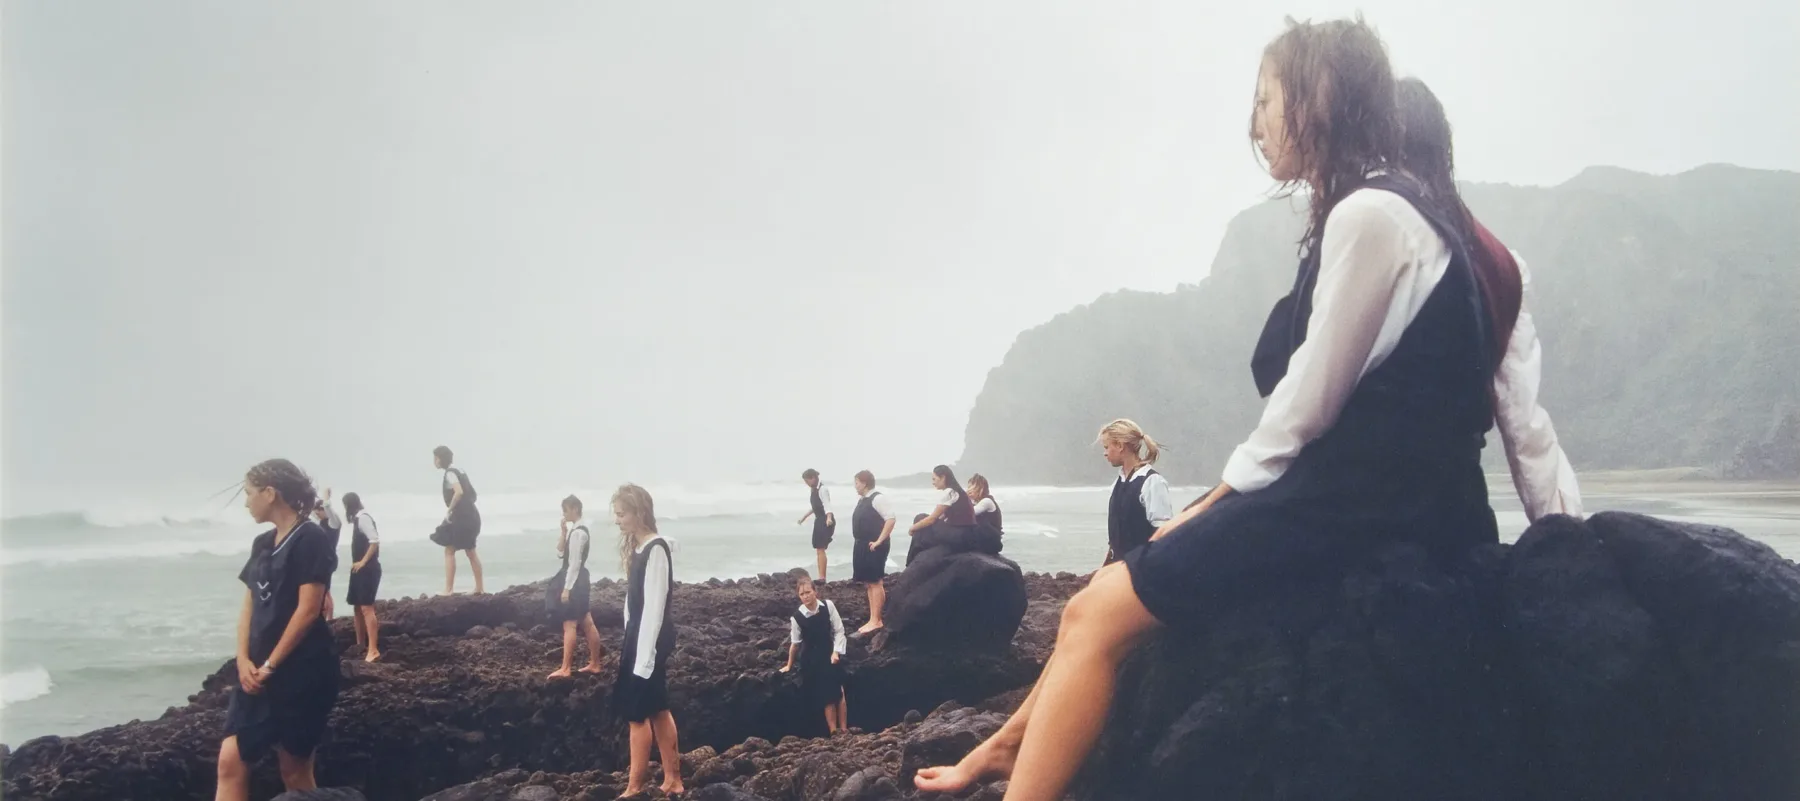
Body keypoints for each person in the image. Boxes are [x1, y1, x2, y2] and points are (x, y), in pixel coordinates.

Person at [916, 18, 1573, 799]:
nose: (1255, 122)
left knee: (1096, 614)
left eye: (1266, 98)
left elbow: (1305, 408)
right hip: (1406, 509)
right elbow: (1517, 429)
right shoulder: (1441, 236)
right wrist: (1565, 539)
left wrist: (1213, 503)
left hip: (1353, 509)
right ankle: (1002, 748)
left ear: (1318, 96)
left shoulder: (1373, 217)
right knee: (1097, 603)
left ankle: (1014, 771)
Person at [1394, 76, 1583, 520]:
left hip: (1369, 515)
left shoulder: (1373, 236)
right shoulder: (1500, 263)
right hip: (1456, 512)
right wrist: (1567, 535)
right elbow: (1527, 432)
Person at [216, 459, 339, 801]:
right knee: (231, 761)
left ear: (270, 493)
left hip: (302, 673)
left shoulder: (310, 538)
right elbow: (249, 605)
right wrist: (242, 660)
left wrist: (271, 665)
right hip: (255, 675)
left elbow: (308, 609)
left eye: (249, 493)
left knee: (295, 771)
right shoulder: (262, 544)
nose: (246, 502)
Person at [611, 484, 684, 797]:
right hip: (637, 638)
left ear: (639, 513)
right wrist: (628, 634)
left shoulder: (655, 549)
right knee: (657, 708)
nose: (617, 520)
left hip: (649, 641)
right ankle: (672, 779)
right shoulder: (640, 548)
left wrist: (643, 659)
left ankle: (634, 786)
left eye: (622, 514)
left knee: (636, 714)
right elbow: (633, 603)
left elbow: (655, 608)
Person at [779, 574, 850, 733]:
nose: (806, 596)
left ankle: (844, 730)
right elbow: (795, 644)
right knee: (826, 696)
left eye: (808, 592)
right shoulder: (797, 617)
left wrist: (836, 652)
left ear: (815, 591)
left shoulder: (828, 606)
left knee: (840, 691)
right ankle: (833, 732)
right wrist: (789, 665)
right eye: (802, 594)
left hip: (830, 652)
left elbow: (839, 631)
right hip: (811, 658)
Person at [1097, 420, 1173, 566]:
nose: (1105, 453)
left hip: (1142, 569)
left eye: (1107, 447)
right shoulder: (1118, 483)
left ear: (1120, 446)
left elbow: (1163, 532)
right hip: (1119, 567)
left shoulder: (1152, 482)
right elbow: (1117, 538)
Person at [546, 494, 604, 679]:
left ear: (575, 509)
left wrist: (567, 589)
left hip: (576, 581)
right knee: (586, 621)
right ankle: (595, 664)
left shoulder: (579, 533)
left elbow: (575, 563)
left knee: (569, 624)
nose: (564, 514)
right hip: (576, 579)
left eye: (565, 510)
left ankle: (566, 668)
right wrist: (563, 533)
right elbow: (559, 553)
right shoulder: (573, 530)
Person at [428, 445, 485, 595]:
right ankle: (479, 588)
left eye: (436, 458)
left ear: (441, 459)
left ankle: (448, 589)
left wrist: (450, 509)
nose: (434, 461)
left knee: (449, 550)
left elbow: (458, 492)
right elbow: (472, 494)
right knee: (471, 551)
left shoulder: (450, 474)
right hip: (472, 515)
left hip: (462, 518)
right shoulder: (461, 471)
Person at [848, 470, 896, 636]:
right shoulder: (863, 499)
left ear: (864, 482)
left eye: (856, 482)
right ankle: (873, 618)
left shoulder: (878, 498)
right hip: (862, 544)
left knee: (875, 581)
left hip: (874, 545)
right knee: (869, 582)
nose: (855, 486)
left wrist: (879, 541)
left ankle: (876, 620)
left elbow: (891, 519)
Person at [903, 465, 976, 566]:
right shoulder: (956, 491)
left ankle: (911, 559)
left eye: (934, 479)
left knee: (920, 518)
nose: (933, 482)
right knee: (922, 520)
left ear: (943, 477)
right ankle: (917, 554)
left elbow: (932, 519)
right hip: (965, 534)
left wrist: (912, 528)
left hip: (959, 535)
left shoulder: (950, 492)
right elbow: (941, 517)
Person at [341, 492, 383, 663]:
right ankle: (361, 644)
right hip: (358, 569)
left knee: (367, 608)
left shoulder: (363, 518)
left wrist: (363, 562)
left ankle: (373, 649)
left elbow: (374, 541)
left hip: (368, 569)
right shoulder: (357, 519)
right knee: (357, 607)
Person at [796, 468, 836, 583]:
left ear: (813, 478)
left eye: (807, 481)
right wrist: (804, 517)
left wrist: (828, 518)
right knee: (818, 549)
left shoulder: (823, 489)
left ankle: (822, 577)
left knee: (821, 548)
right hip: (819, 520)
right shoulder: (813, 490)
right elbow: (815, 506)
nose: (806, 484)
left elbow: (827, 505)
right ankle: (821, 576)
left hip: (826, 519)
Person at [310, 490, 342, 622]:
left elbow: (328, 507)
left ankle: (328, 619)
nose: (317, 513)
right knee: (325, 591)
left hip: (328, 560)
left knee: (324, 591)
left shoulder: (333, 522)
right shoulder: (322, 522)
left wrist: (326, 498)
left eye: (319, 510)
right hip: (321, 559)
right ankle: (325, 618)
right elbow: (310, 512)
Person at [967, 474, 1005, 555]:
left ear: (980, 488)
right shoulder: (975, 502)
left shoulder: (987, 501)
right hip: (985, 538)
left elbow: (969, 513)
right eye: (968, 487)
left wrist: (965, 498)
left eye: (972, 487)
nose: (969, 490)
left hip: (992, 539)